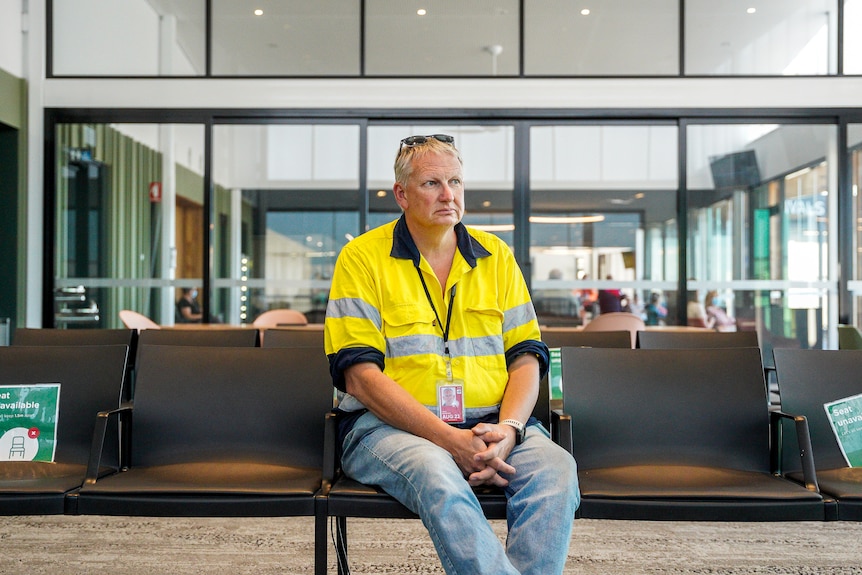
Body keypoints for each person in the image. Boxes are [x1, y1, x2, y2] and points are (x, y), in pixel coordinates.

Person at [324, 134, 580, 574]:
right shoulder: (361, 258)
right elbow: (359, 377)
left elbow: (526, 357)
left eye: (456, 181)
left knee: (556, 470)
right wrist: (450, 441)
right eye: (432, 184)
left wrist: (510, 429)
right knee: (437, 472)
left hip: (493, 424)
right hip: (387, 429)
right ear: (401, 194)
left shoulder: (496, 256)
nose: (449, 195)